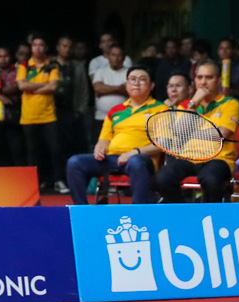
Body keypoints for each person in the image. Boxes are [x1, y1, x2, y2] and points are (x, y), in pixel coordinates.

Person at [66, 67, 165, 205]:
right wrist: (99, 148)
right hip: (113, 158)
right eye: (132, 79)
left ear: (151, 85)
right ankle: (82, 210)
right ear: (127, 84)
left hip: (141, 159)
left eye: (142, 79)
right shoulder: (115, 110)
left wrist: (134, 152)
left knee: (135, 162)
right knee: (75, 162)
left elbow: (162, 144)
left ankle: (139, 211)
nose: (136, 83)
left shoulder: (161, 109)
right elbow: (104, 139)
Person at [154, 61, 239, 203]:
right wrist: (194, 103)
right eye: (199, 77)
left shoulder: (230, 103)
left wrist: (191, 133)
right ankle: (184, 212)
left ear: (218, 80)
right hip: (189, 157)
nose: (203, 82)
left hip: (219, 158)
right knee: (163, 177)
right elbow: (180, 133)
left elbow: (220, 135)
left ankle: (211, 214)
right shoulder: (186, 106)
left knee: (210, 178)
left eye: (209, 77)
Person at [18, 34, 68, 193]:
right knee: (33, 153)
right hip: (29, 116)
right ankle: (35, 184)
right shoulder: (24, 66)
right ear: (31, 47)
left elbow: (53, 87)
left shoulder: (52, 65)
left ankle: (58, 181)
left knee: (55, 150)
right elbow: (21, 86)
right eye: (35, 45)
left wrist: (31, 87)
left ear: (45, 47)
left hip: (48, 116)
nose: (38, 48)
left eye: (41, 45)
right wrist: (42, 86)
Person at [92, 44, 130, 125]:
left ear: (124, 58)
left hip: (124, 117)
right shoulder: (100, 71)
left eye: (119, 55)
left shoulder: (130, 72)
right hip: (102, 117)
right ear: (108, 57)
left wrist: (105, 90)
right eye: (113, 55)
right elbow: (98, 88)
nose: (116, 58)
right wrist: (119, 88)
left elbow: (129, 90)